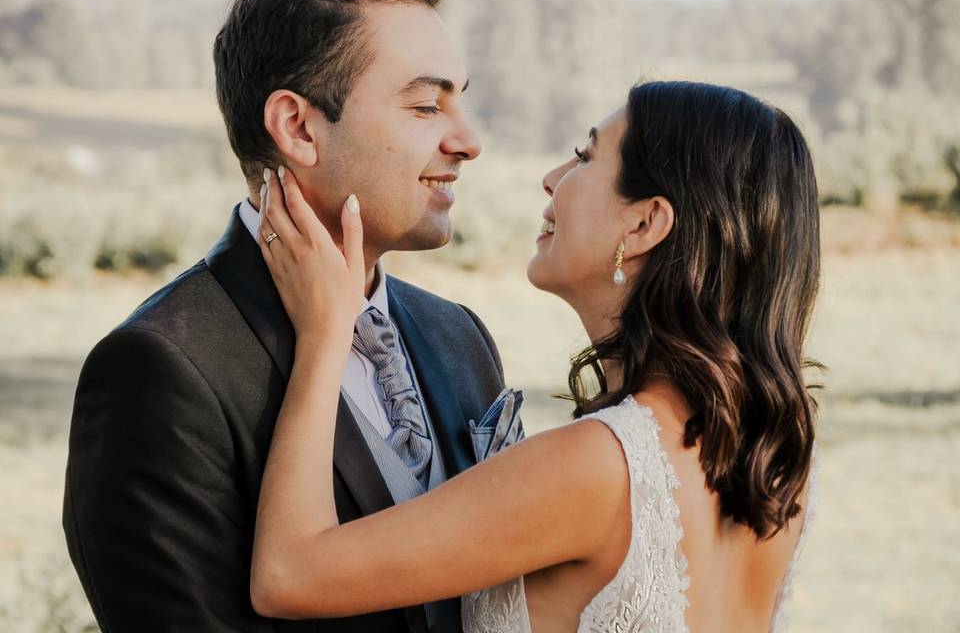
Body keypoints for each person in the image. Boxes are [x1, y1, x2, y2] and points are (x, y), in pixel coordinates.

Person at [248, 80, 822, 632]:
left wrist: (325, 333)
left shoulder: (598, 465)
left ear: (645, 223)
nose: (552, 179)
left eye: (584, 158)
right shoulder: (772, 459)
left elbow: (287, 576)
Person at [62, 0, 496, 631]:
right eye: (427, 105)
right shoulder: (159, 370)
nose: (468, 142)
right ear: (297, 127)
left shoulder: (459, 336)